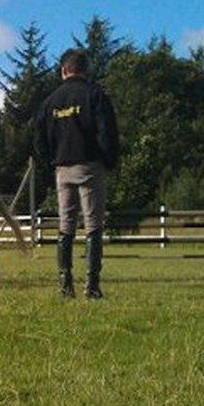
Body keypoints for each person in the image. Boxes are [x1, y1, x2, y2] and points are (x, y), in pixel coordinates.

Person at [35, 48, 119, 298]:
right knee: (93, 224)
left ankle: (65, 283)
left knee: (66, 224)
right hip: (89, 165)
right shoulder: (95, 95)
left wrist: (51, 161)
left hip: (62, 168)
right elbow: (107, 132)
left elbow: (39, 139)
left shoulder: (50, 102)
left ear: (63, 70)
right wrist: (108, 160)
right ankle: (92, 286)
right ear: (85, 69)